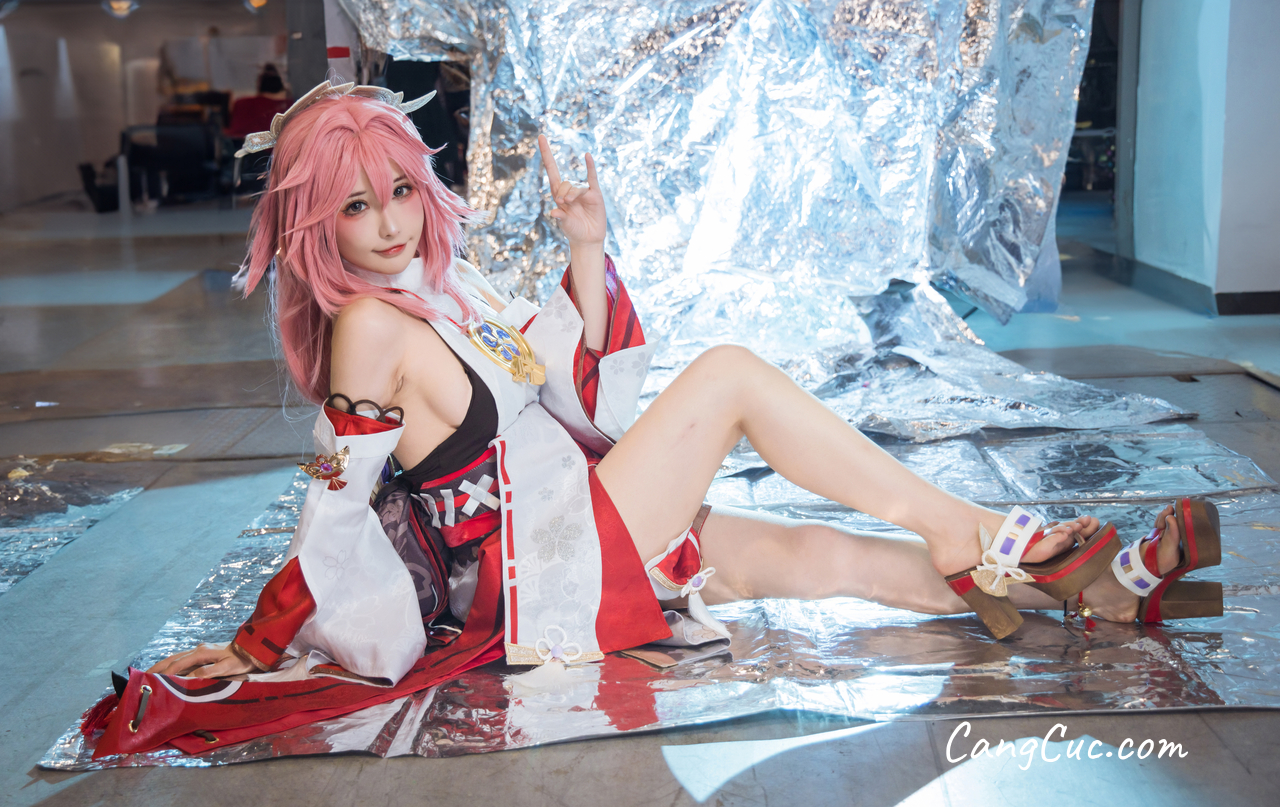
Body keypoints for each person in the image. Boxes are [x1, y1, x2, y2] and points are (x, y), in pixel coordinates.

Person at [88, 80, 1222, 757]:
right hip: (532, 566)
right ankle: (980, 530)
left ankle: (1098, 593)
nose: (387, 223)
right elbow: (335, 508)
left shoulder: (441, 286)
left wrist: (585, 246)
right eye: (354, 206)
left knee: (830, 559)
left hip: (575, 516)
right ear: (314, 223)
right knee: (728, 376)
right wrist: (259, 643)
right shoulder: (367, 330)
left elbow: (558, 380)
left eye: (397, 193)